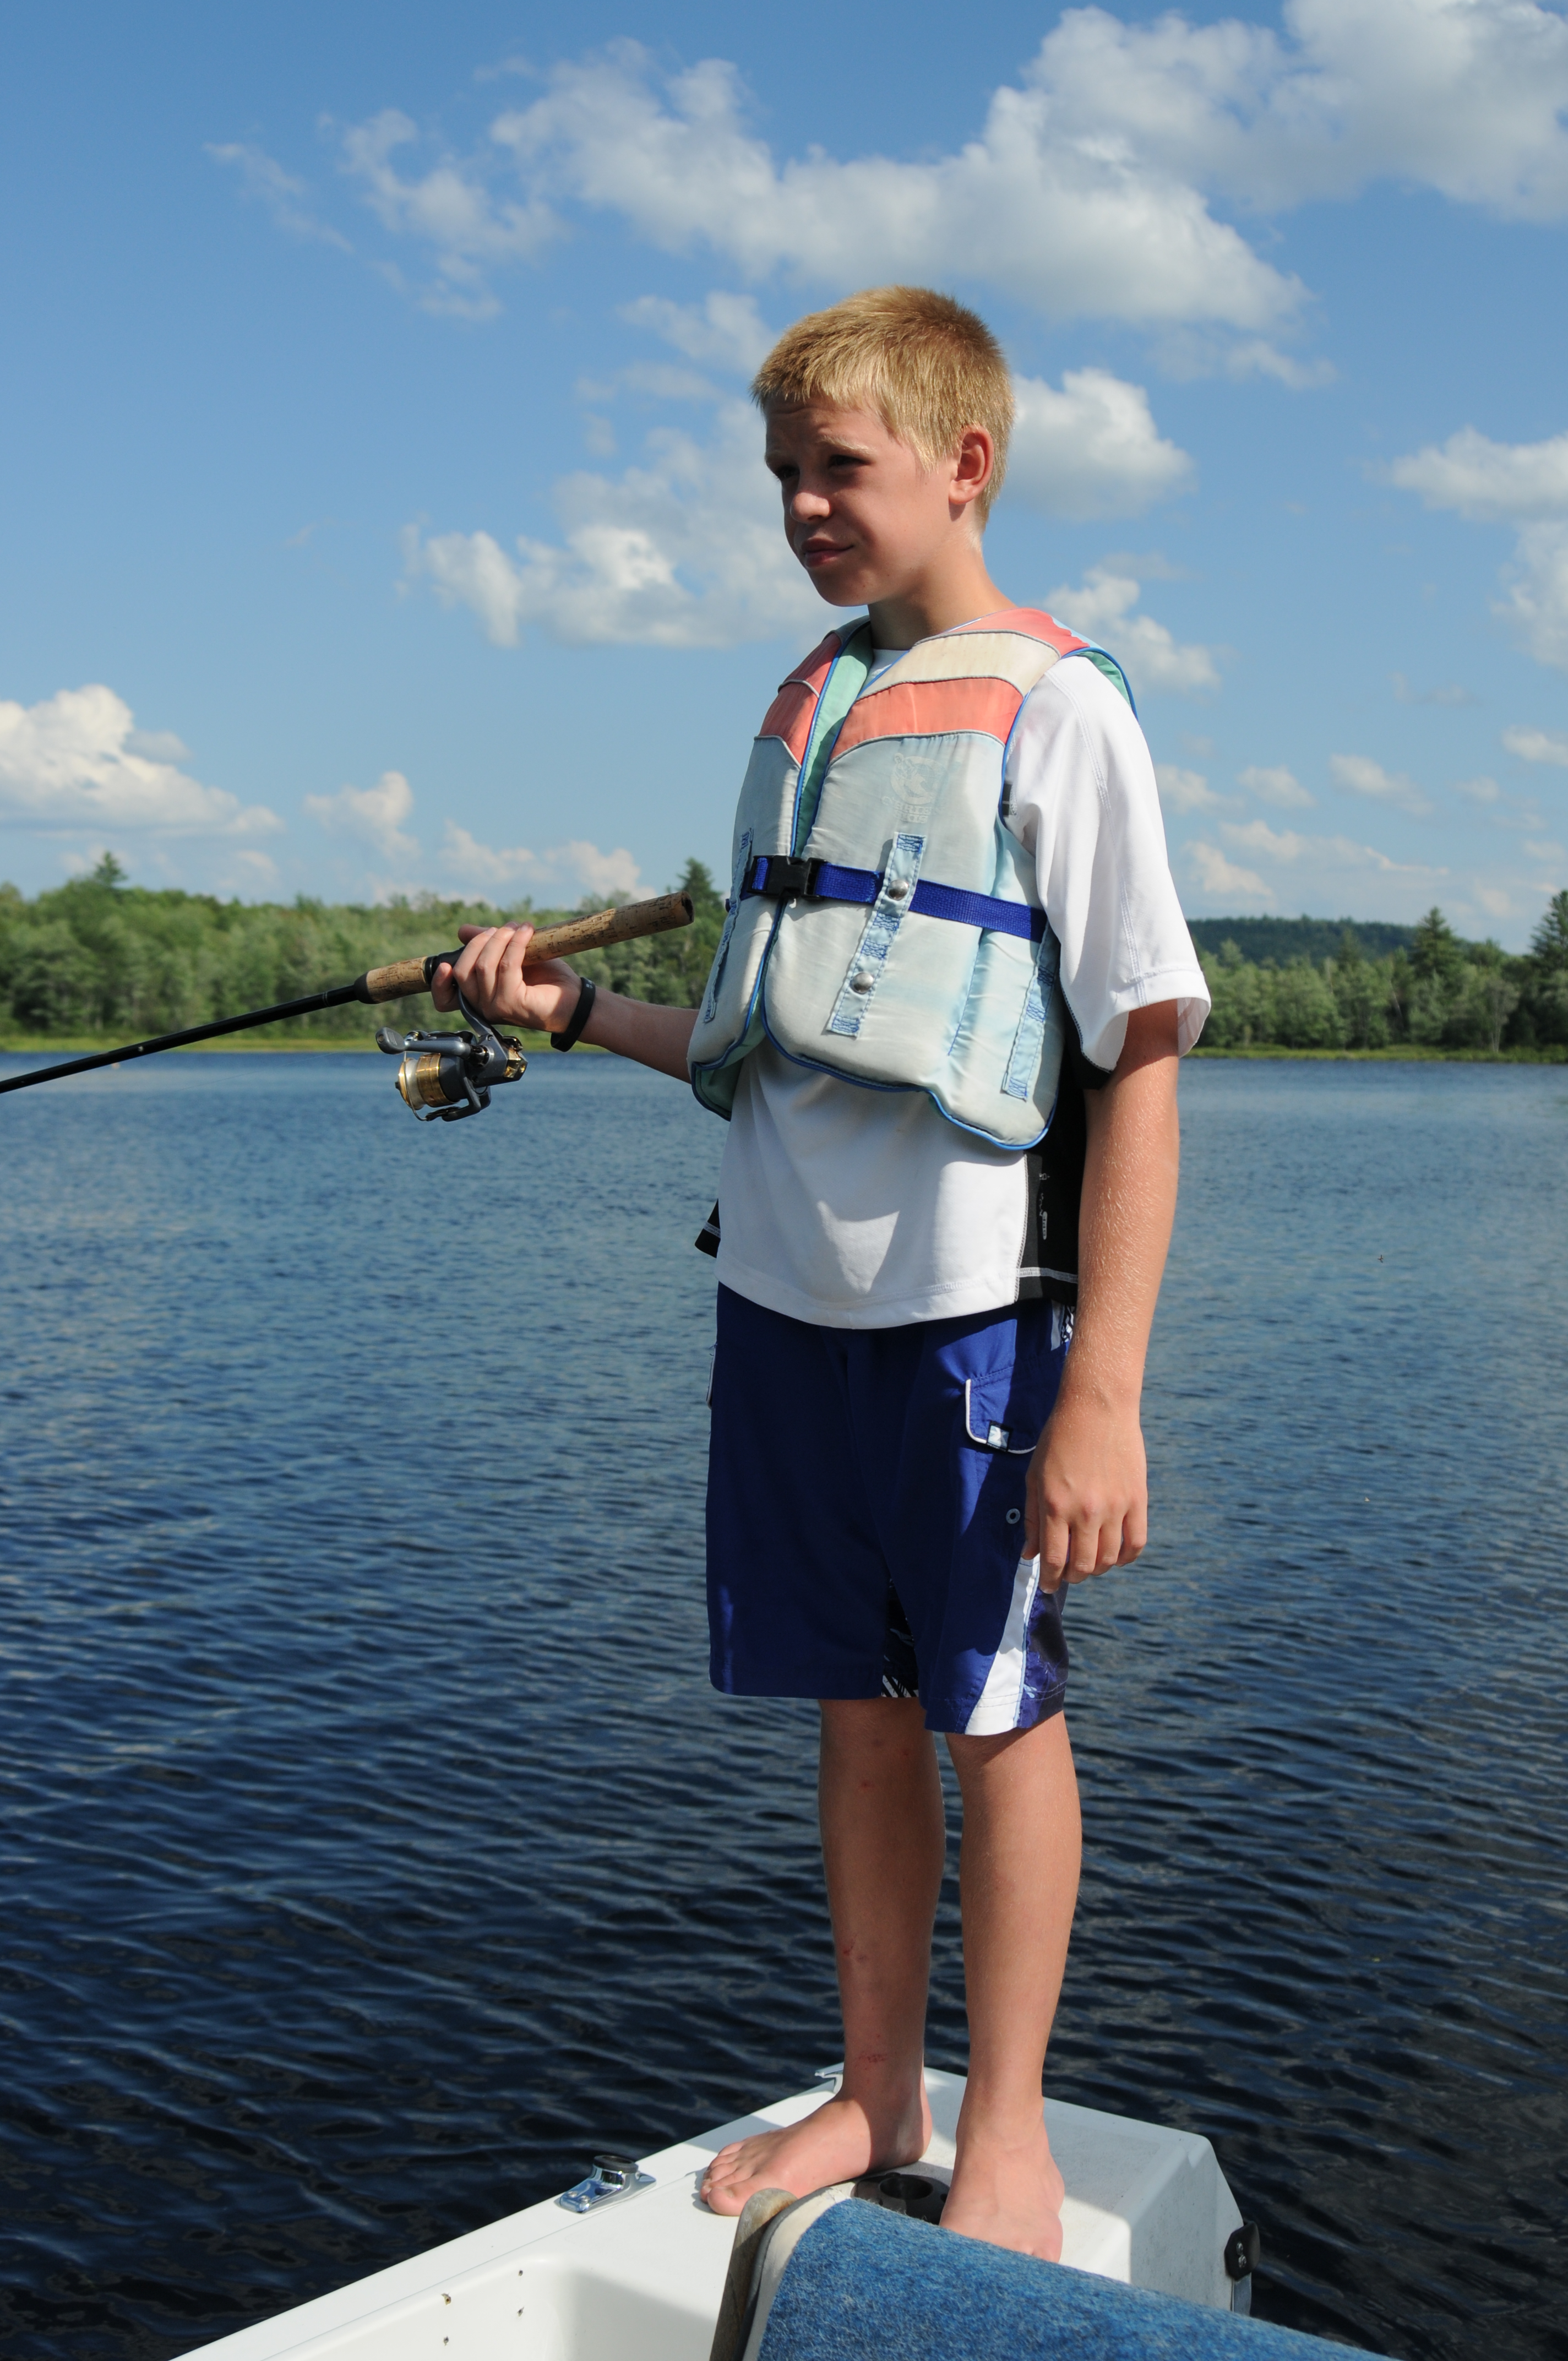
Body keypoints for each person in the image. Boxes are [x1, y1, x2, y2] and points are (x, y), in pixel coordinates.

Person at [434, 286, 1210, 2261]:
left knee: (995, 1713)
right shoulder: (805, 710)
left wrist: (1105, 1392)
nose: (800, 504)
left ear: (966, 464)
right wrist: (567, 1007)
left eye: (838, 467)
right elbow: (747, 1044)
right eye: (781, 472)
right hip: (780, 1318)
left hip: (975, 1332)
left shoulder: (1060, 709)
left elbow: (1141, 1062)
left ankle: (1007, 2129)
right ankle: (878, 2093)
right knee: (856, 1718)